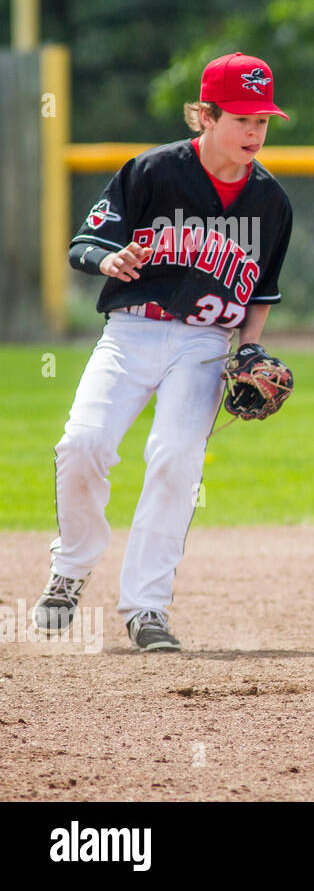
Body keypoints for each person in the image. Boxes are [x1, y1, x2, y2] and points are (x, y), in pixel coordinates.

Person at [32, 52, 294, 652]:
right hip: (131, 332)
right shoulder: (152, 172)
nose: (255, 133)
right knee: (83, 444)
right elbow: (85, 242)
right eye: (242, 119)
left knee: (176, 457)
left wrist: (249, 353)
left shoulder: (271, 202)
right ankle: (70, 569)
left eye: (263, 122)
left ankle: (146, 607)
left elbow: (262, 293)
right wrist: (109, 259)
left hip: (206, 344)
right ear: (205, 115)